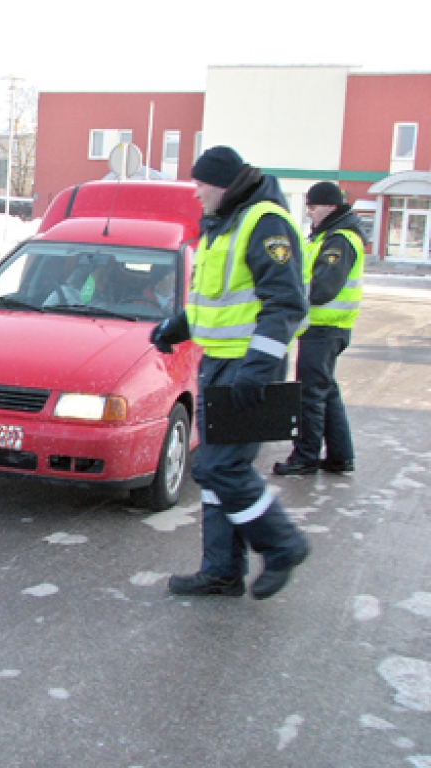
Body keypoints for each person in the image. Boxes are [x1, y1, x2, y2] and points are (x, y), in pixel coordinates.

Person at [150, 146, 310, 599]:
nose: (196, 191)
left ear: (222, 183)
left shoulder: (264, 222)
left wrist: (256, 369)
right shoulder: (223, 226)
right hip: (219, 363)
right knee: (218, 469)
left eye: (200, 183)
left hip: (247, 367)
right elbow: (211, 301)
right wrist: (174, 328)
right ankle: (221, 570)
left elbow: (286, 304)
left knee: (219, 465)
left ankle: (282, 544)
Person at [273, 182, 364, 476]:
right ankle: (340, 456)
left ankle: (305, 457)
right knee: (326, 391)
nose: (309, 211)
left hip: (325, 330)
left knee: (310, 394)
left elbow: (323, 286)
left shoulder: (338, 240)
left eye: (313, 206)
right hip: (326, 330)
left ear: (331, 207)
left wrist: (291, 294)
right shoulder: (328, 237)